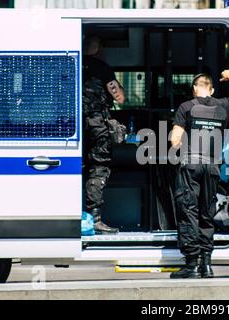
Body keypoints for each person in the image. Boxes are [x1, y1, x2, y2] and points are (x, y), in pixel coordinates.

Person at [169, 70, 229, 278]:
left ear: (194, 89)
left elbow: (175, 141)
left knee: (189, 212)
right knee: (207, 213)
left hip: (191, 165)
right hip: (213, 167)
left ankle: (191, 265)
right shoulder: (224, 105)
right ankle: (206, 265)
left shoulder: (186, 106)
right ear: (212, 90)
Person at [83, 36, 125, 234]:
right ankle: (94, 220)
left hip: (70, 127)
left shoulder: (68, 63)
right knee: (99, 168)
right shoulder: (102, 68)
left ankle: (74, 216)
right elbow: (121, 98)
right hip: (97, 126)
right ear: (98, 47)